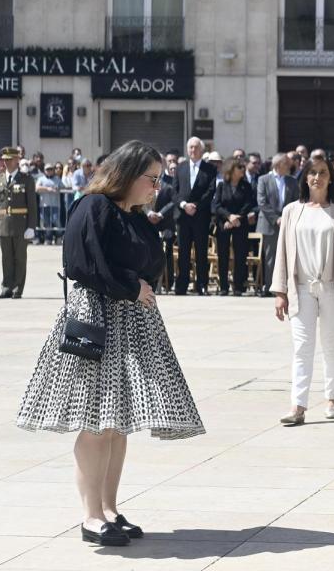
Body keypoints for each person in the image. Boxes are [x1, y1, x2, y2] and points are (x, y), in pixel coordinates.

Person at [15, 140, 205, 547]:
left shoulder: (133, 214)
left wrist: (137, 283)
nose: (156, 187)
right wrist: (127, 285)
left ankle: (109, 508)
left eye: (158, 179)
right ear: (128, 173)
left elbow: (151, 262)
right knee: (95, 422)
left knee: (116, 424)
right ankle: (90, 516)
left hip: (130, 320)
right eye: (151, 179)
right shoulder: (93, 206)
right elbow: (81, 265)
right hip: (97, 319)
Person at [271, 157, 334, 425]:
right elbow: (282, 253)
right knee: (302, 346)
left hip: (333, 287)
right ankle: (298, 406)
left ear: (331, 178)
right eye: (312, 172)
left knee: (332, 345)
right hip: (301, 287)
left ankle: (332, 399)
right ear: (304, 177)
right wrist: (280, 292)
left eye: (322, 173)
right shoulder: (292, 211)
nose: (317, 177)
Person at [0, 147, 38, 299]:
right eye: (5, 159)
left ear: (17, 160)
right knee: (6, 258)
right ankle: (6, 287)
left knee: (20, 258)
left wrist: (31, 226)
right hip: (3, 225)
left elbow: (32, 206)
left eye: (9, 159)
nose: (6, 162)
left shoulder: (27, 179)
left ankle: (17, 288)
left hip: (20, 225)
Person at [172, 137, 218, 295]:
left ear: (202, 150)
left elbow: (210, 191)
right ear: (187, 149)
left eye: (196, 147)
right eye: (190, 147)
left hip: (200, 216)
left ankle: (202, 285)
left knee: (201, 253)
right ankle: (182, 285)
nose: (193, 150)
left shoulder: (210, 169)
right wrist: (184, 205)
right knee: (183, 252)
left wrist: (196, 206)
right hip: (183, 217)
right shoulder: (180, 168)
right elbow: (174, 192)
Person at [257, 154, 300, 297]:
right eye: (286, 163)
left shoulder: (292, 181)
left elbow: (297, 201)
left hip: (288, 224)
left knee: (288, 257)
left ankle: (286, 287)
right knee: (270, 258)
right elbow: (262, 202)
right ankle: (270, 287)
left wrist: (287, 218)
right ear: (278, 165)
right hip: (270, 224)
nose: (289, 166)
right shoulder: (263, 180)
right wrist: (276, 219)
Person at [213, 157, 257, 296]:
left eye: (243, 167)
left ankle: (238, 286)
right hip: (224, 224)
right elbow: (216, 205)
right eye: (239, 167)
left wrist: (237, 217)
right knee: (223, 255)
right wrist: (229, 217)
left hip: (240, 224)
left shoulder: (246, 186)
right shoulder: (222, 185)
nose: (243, 170)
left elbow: (249, 203)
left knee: (240, 256)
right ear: (231, 169)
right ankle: (224, 287)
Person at [146, 169, 177, 293]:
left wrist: (160, 214)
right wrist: (148, 213)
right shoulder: (144, 181)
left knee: (167, 251)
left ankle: (167, 283)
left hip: (165, 223)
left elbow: (173, 201)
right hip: (148, 222)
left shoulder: (169, 182)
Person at [35, 163, 64, 245]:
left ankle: (58, 237)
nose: (49, 171)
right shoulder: (41, 179)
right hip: (44, 205)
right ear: (44, 171)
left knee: (56, 221)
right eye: (47, 169)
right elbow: (37, 188)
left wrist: (58, 188)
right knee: (46, 222)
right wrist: (48, 189)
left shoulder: (57, 178)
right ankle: (48, 238)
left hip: (55, 205)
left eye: (51, 169)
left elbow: (64, 187)